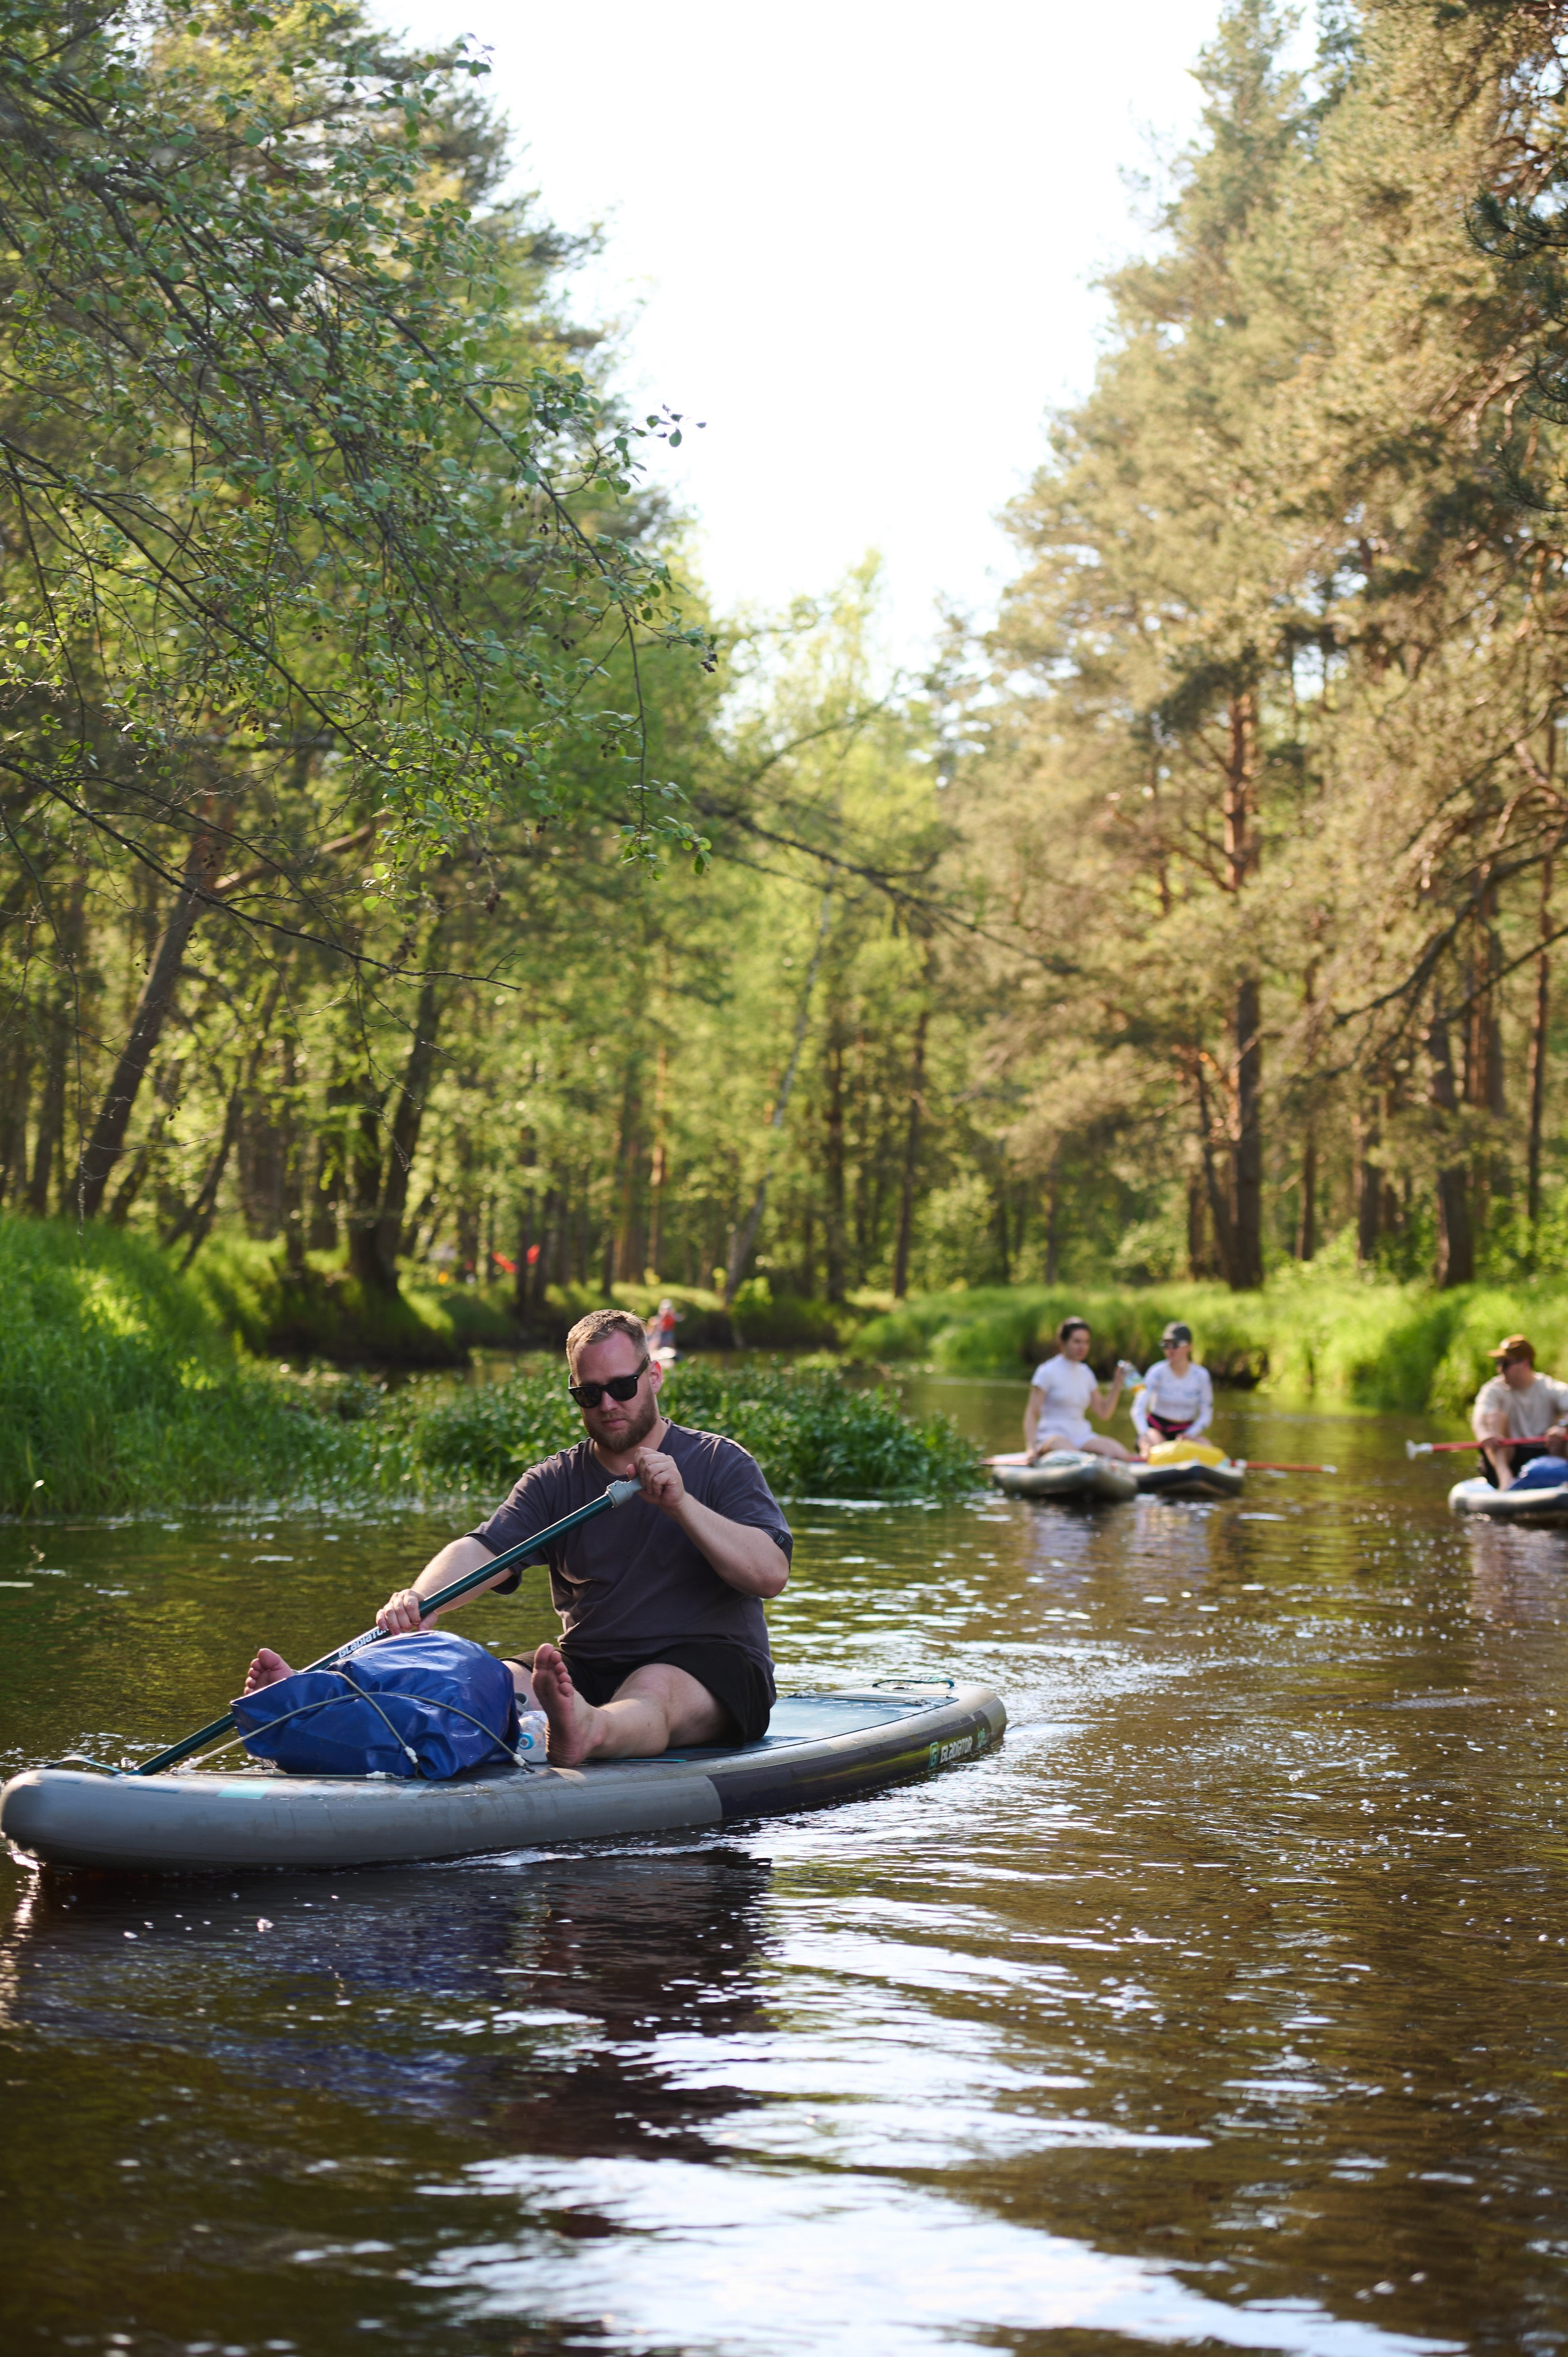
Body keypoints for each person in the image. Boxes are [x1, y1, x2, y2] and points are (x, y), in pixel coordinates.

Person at [244, 1308, 791, 1765]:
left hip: (709, 1668)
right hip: (584, 1668)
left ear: (653, 1377)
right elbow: (484, 1550)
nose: (607, 1405)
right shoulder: (556, 1480)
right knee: (478, 1683)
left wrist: (682, 1505)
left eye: (622, 1387)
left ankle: (589, 1732)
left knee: (653, 1688)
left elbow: (769, 1575)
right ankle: (317, 1708)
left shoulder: (720, 1463)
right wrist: (422, 1600)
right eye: (589, 1394)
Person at [1023, 1317, 1135, 1463]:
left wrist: (1117, 1383)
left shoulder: (1086, 1372)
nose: (1082, 1347)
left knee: (1122, 1455)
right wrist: (1030, 1448)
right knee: (1074, 1457)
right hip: (1053, 1435)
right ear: (1063, 1342)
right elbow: (1032, 1413)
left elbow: (1104, 1413)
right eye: (1077, 1342)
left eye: (1086, 1342)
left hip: (1081, 1435)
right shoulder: (1047, 1371)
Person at [1471, 1333, 1568, 1492]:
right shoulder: (1494, 1390)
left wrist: (1562, 1427)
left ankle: (1561, 1481)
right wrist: (1484, 1435)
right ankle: (1506, 1480)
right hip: (1509, 1456)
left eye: (1505, 1364)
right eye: (1498, 1363)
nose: (1500, 1369)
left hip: (1547, 1455)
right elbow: (1479, 1418)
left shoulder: (1550, 1387)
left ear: (1524, 1363)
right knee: (1495, 1417)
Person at [1130, 1321, 1215, 1460]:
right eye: (1166, 1345)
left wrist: (1191, 1434)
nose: (1170, 1350)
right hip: (1156, 1428)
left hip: (1185, 1432)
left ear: (1189, 1347)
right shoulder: (1155, 1372)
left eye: (1175, 1344)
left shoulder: (1202, 1376)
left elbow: (1207, 1415)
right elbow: (1138, 1409)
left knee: (1208, 1449)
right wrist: (1144, 1435)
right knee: (1156, 1450)